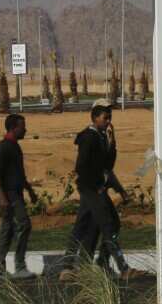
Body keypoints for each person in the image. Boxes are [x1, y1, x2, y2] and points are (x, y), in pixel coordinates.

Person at [61, 102, 132, 280]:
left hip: (95, 188)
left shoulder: (101, 137)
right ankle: (122, 267)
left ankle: (73, 266)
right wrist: (96, 186)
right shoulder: (89, 137)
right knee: (109, 224)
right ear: (94, 118)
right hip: (91, 188)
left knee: (84, 225)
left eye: (110, 118)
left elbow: (107, 166)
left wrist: (112, 141)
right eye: (105, 118)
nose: (108, 121)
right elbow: (81, 166)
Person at [0, 113, 39, 279]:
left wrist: (30, 191)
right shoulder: (1, 148)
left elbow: (19, 174)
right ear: (13, 128)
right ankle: (19, 266)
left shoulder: (15, 147)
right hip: (8, 195)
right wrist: (3, 199)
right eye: (22, 127)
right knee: (24, 224)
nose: (25, 130)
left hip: (15, 193)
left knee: (8, 230)